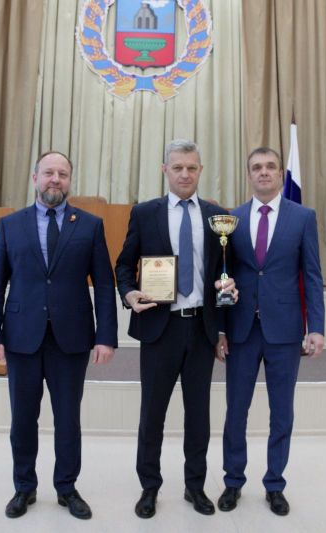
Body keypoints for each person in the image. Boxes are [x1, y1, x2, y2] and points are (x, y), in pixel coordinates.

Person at [0, 151, 118, 521]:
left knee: (68, 419)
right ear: (35, 178)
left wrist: (106, 336)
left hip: (71, 339)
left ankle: (67, 488)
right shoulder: (11, 225)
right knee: (23, 419)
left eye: (63, 173)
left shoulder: (89, 225)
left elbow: (105, 285)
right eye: (48, 173)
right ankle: (24, 487)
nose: (55, 179)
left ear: (70, 180)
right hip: (21, 338)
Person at [115, 139, 237, 519]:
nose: (185, 174)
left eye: (192, 167)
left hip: (201, 329)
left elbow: (226, 272)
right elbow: (124, 265)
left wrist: (224, 320)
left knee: (198, 415)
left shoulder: (218, 217)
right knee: (152, 414)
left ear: (200, 170)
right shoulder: (144, 213)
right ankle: (149, 487)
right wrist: (129, 293)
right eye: (178, 167)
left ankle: (195, 486)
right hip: (159, 328)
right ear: (165, 170)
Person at [215, 147, 325, 516]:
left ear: (280, 174)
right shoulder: (231, 220)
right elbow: (224, 277)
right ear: (249, 175)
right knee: (236, 411)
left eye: (270, 166)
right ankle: (233, 481)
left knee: (282, 413)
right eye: (256, 167)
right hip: (241, 331)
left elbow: (312, 275)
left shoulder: (303, 217)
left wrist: (316, 327)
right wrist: (221, 329)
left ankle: (275, 484)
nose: (264, 172)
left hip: (285, 332)